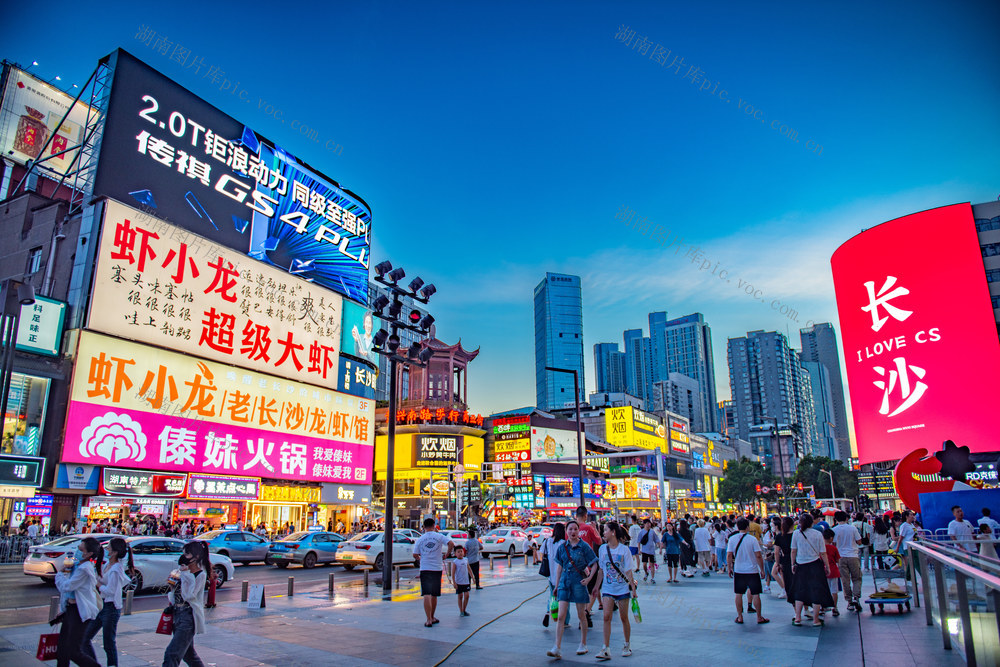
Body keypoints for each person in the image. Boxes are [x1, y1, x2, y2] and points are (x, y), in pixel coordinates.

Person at [549, 521, 598, 659]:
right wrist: (556, 585)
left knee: (581, 615)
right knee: (561, 616)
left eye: (575, 529)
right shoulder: (562, 547)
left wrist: (589, 579)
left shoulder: (584, 546)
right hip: (564, 582)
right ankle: (557, 647)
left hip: (578, 582)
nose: (573, 532)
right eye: (570, 529)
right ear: (566, 531)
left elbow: (594, 564)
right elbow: (559, 567)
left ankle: (583, 644)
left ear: (578, 530)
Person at [80, 537, 132, 667]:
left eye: (109, 547)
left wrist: (98, 585)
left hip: (111, 608)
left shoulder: (116, 569)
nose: (106, 549)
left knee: (108, 643)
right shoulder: (108, 564)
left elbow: (110, 591)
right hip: (101, 605)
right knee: (85, 638)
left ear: (114, 552)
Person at [54, 536, 103, 667]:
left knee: (73, 652)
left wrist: (59, 574)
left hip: (79, 612)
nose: (77, 551)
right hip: (71, 609)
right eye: (78, 548)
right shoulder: (77, 565)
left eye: (81, 550)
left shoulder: (85, 569)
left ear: (89, 554)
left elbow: (68, 586)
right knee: (62, 649)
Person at [162, 541, 209, 667]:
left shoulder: (200, 575)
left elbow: (189, 596)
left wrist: (185, 575)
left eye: (187, 554)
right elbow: (174, 595)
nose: (184, 557)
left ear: (196, 556)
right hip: (177, 614)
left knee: (172, 654)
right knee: (188, 654)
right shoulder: (181, 572)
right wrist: (172, 583)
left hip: (188, 617)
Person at [595, 521, 636, 660]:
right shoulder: (602, 549)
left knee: (624, 618)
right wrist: (596, 587)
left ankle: (627, 644)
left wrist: (633, 589)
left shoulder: (624, 550)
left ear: (613, 532)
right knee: (606, 617)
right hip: (608, 588)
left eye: (605, 530)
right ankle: (605, 648)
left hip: (622, 588)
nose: (603, 533)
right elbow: (601, 570)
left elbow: (629, 571)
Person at [789, 513, 834, 626]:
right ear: (812, 522)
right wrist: (827, 566)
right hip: (815, 565)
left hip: (800, 565)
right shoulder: (818, 534)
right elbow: (822, 552)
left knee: (799, 591)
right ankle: (816, 619)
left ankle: (798, 617)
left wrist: (792, 564)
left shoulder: (796, 534)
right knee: (816, 591)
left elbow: (793, 550)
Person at [413, 518, 455, 627]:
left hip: (425, 568)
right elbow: (451, 543)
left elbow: (415, 554)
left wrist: (420, 558)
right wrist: (447, 554)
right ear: (434, 525)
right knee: (434, 594)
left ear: (424, 527)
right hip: (436, 568)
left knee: (426, 593)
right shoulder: (439, 536)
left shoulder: (420, 539)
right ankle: (432, 616)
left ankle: (428, 620)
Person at [727, 518, 769, 625]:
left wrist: (729, 568)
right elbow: (758, 555)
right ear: (747, 527)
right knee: (756, 593)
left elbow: (729, 555)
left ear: (737, 527)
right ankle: (759, 617)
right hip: (752, 570)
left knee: (738, 594)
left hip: (739, 570)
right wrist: (762, 569)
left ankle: (740, 617)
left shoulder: (732, 539)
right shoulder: (752, 539)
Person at [831, 510, 863, 612]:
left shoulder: (834, 530)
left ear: (836, 519)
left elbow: (833, 544)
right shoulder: (852, 528)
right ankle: (856, 597)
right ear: (846, 518)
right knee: (857, 578)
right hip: (853, 555)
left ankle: (849, 602)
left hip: (840, 557)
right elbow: (859, 541)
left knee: (845, 580)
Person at [542, 522, 568, 628]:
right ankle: (565, 620)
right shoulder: (563, 543)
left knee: (552, 595)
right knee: (564, 597)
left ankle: (549, 612)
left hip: (550, 574)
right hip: (562, 574)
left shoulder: (547, 541)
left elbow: (541, 554)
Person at [448, 545, 474, 616]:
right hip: (459, 582)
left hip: (466, 582)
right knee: (460, 596)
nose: (460, 553)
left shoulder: (466, 560)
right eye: (458, 552)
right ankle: (461, 611)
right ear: (455, 553)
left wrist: (472, 577)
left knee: (467, 595)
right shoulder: (455, 562)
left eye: (461, 551)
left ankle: (464, 609)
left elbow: (469, 569)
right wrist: (454, 583)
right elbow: (453, 573)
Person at [773, 517, 794, 600]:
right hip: (797, 559)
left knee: (788, 581)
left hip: (785, 560)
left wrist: (777, 563)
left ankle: (792, 601)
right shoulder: (796, 535)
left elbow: (776, 552)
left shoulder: (779, 536)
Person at [823, 529, 842, 616]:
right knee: (834, 590)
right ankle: (835, 607)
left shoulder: (821, 548)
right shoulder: (834, 548)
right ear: (831, 538)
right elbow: (838, 560)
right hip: (833, 571)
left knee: (824, 590)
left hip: (823, 571)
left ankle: (824, 606)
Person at [638, 519, 658, 584]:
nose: (648, 524)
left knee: (652, 564)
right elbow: (638, 541)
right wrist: (639, 550)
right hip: (644, 550)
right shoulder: (641, 532)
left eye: (649, 523)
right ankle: (646, 573)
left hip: (651, 550)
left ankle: (653, 578)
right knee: (644, 564)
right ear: (644, 524)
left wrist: (659, 545)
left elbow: (656, 539)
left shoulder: (652, 531)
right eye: (647, 523)